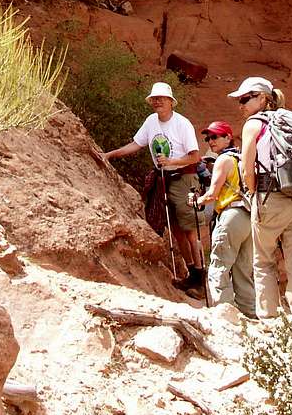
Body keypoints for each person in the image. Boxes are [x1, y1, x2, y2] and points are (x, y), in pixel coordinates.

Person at [105, 80, 205, 290]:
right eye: (154, 99)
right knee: (176, 230)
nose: (157, 101)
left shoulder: (182, 123)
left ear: (171, 102)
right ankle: (190, 272)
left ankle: (199, 273)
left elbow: (195, 157)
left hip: (184, 178)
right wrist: (110, 155)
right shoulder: (151, 122)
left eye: (161, 98)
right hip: (164, 178)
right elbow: (137, 144)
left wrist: (171, 162)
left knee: (188, 229)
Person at [232, 76, 292, 317]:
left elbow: (247, 169)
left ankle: (269, 320)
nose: (241, 105)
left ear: (263, 98)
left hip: (271, 199)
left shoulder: (253, 124)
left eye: (245, 99)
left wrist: (251, 192)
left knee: (263, 261)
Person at [192, 120, 256, 318]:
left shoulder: (223, 160)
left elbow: (212, 194)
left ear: (228, 137)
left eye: (215, 136)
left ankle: (224, 313)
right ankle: (250, 312)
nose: (211, 141)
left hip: (231, 216)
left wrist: (196, 202)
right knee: (243, 269)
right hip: (249, 216)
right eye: (208, 138)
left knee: (219, 265)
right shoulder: (243, 158)